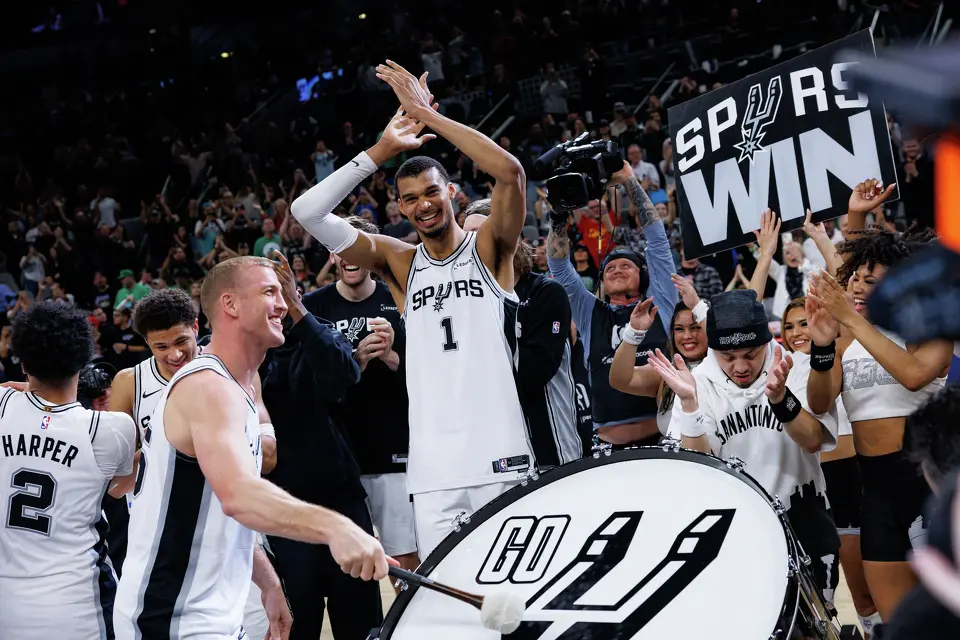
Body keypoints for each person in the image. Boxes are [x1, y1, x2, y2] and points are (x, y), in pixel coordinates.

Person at [291, 62, 533, 560]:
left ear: (452, 194)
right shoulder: (398, 263)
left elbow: (510, 172)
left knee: (517, 602)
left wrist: (428, 116)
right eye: (410, 199)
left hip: (500, 453)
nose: (422, 205)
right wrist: (380, 150)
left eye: (431, 192)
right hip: (432, 467)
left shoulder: (491, 247)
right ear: (399, 207)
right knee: (448, 601)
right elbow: (307, 213)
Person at [114, 257, 391, 640]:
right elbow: (240, 496)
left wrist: (269, 582)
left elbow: (221, 507)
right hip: (173, 612)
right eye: (270, 292)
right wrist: (336, 527)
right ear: (230, 305)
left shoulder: (239, 385)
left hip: (209, 607)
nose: (284, 304)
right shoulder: (208, 386)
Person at [648, 289, 841, 607]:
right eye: (728, 357)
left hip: (806, 522)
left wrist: (781, 400)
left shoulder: (795, 365)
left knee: (817, 622)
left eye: (750, 354)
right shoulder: (695, 382)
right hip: (738, 529)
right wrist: (690, 407)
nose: (740, 366)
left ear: (766, 342)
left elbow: (813, 440)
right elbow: (697, 470)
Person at [805, 223, 952, 622]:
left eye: (869, 281)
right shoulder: (845, 336)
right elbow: (820, 400)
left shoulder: (930, 325)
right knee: (896, 619)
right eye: (854, 279)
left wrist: (852, 324)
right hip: (876, 489)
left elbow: (915, 374)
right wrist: (822, 348)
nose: (855, 287)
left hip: (930, 480)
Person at [109, 288, 276, 637]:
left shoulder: (235, 372)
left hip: (229, 532)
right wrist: (159, 454)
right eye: (161, 347)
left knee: (257, 624)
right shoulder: (130, 382)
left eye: (181, 340)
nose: (174, 354)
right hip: (159, 544)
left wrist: (201, 444)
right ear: (146, 343)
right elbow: (115, 480)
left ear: (196, 326)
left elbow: (269, 456)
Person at [261, 249, 385, 640]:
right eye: (264, 294)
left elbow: (344, 374)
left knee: (360, 621)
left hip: (339, 498)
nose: (274, 303)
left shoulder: (320, 332)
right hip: (282, 509)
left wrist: (297, 307)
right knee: (299, 623)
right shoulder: (237, 356)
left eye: (278, 294)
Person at [0, 302, 137, 639]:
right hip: (75, 603)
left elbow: (12, 391)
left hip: (6, 602)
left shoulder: (2, 406)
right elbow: (120, 486)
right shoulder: (112, 429)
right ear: (82, 359)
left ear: (24, 362)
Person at [302, 217, 419, 575]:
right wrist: (350, 366)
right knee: (348, 565)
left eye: (356, 248)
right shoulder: (311, 307)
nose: (349, 258)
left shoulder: (399, 298)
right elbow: (303, 382)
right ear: (332, 256)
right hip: (337, 456)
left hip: (392, 451)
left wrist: (392, 357)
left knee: (407, 558)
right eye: (340, 250)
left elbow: (432, 373)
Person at [545, 162, 678, 448]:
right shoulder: (590, 312)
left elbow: (657, 240)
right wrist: (559, 217)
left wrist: (630, 181)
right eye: (609, 268)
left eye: (626, 265)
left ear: (643, 275)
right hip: (608, 449)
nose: (616, 270)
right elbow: (558, 267)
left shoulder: (661, 301)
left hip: (665, 440)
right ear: (602, 283)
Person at [781, 297, 880, 634]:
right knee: (816, 604)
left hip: (850, 482)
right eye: (788, 326)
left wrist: (823, 240)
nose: (796, 332)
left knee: (864, 595)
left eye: (803, 323)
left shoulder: (844, 352)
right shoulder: (778, 366)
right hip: (807, 494)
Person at [461, 206, 581, 468]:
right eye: (464, 235)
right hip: (490, 449)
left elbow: (533, 373)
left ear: (511, 239)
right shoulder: (463, 301)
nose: (469, 243)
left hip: (547, 443)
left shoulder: (545, 293)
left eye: (479, 233)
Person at [608, 274, 708, 438]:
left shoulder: (724, 366)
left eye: (695, 327)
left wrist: (699, 306)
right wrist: (634, 333)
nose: (687, 336)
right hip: (673, 459)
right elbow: (620, 380)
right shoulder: (665, 372)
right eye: (679, 329)